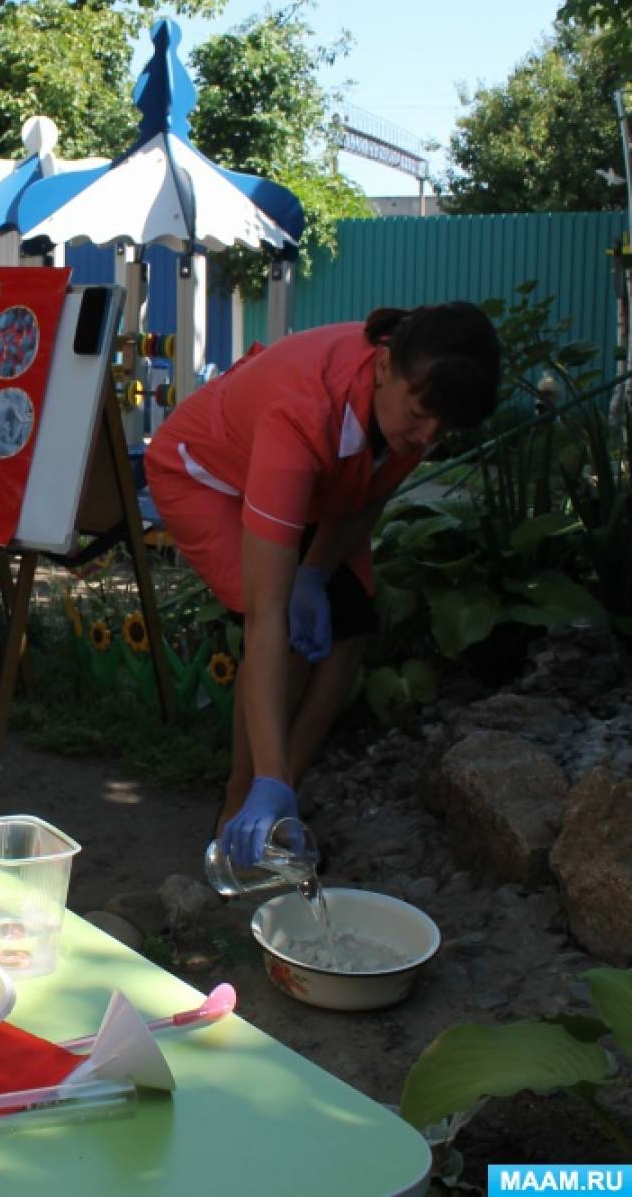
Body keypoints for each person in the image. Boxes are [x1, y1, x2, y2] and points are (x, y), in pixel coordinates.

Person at [145, 302, 501, 867]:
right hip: (207, 474)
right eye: (421, 415)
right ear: (383, 367)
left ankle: (281, 804)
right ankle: (241, 812)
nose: (429, 435)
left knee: (350, 625)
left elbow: (369, 494)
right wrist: (295, 585)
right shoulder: (303, 411)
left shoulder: (419, 406)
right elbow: (264, 616)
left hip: (318, 482)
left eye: (445, 428)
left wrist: (316, 571)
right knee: (282, 633)